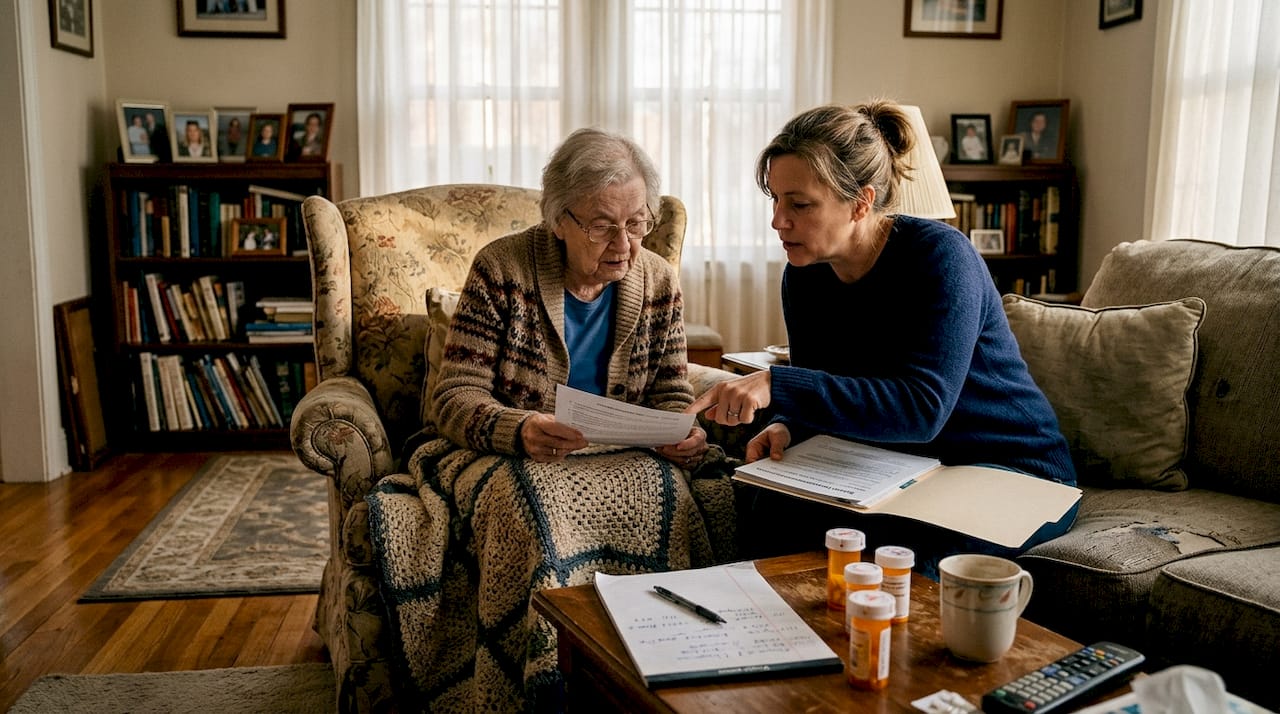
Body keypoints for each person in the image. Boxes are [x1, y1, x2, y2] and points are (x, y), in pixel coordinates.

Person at [371, 127, 726, 711]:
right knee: (538, 515)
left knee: (675, 498)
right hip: (510, 453)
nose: (626, 243)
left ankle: (652, 684)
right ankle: (537, 688)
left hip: (622, 456)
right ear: (558, 219)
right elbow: (455, 396)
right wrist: (519, 429)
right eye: (602, 224)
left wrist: (676, 433)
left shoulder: (658, 279)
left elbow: (669, 388)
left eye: (637, 222)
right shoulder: (502, 269)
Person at [686, 100, 1077, 575]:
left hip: (1012, 470)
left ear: (861, 202)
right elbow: (831, 382)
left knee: (903, 564)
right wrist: (792, 425)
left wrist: (777, 384)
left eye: (799, 204)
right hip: (907, 467)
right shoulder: (805, 275)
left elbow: (921, 409)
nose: (777, 220)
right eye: (775, 199)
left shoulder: (941, 259)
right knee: (766, 510)